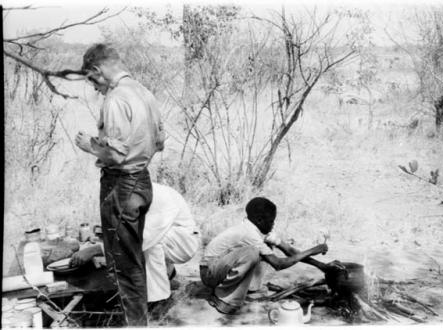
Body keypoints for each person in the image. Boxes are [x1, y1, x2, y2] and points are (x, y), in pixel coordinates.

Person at [75, 43, 165, 326]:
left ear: (97, 71)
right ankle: (138, 320)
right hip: (142, 181)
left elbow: (114, 154)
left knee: (124, 266)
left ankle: (136, 324)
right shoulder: (144, 92)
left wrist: (90, 146)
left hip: (122, 185)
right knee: (132, 259)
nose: (94, 88)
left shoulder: (115, 99)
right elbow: (160, 142)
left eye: (91, 81)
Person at [70, 183, 200, 311]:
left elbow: (142, 239)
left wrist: (96, 250)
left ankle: (157, 300)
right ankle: (166, 274)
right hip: (163, 237)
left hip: (184, 244)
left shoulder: (161, 198)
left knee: (147, 244)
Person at [199, 197, 328, 314]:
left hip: (219, 267)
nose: (273, 224)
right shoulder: (249, 233)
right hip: (209, 272)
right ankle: (222, 299)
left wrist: (323, 266)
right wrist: (312, 250)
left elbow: (289, 250)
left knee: (266, 248)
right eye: (271, 221)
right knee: (252, 252)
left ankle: (251, 287)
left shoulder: (259, 228)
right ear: (260, 220)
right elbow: (278, 264)